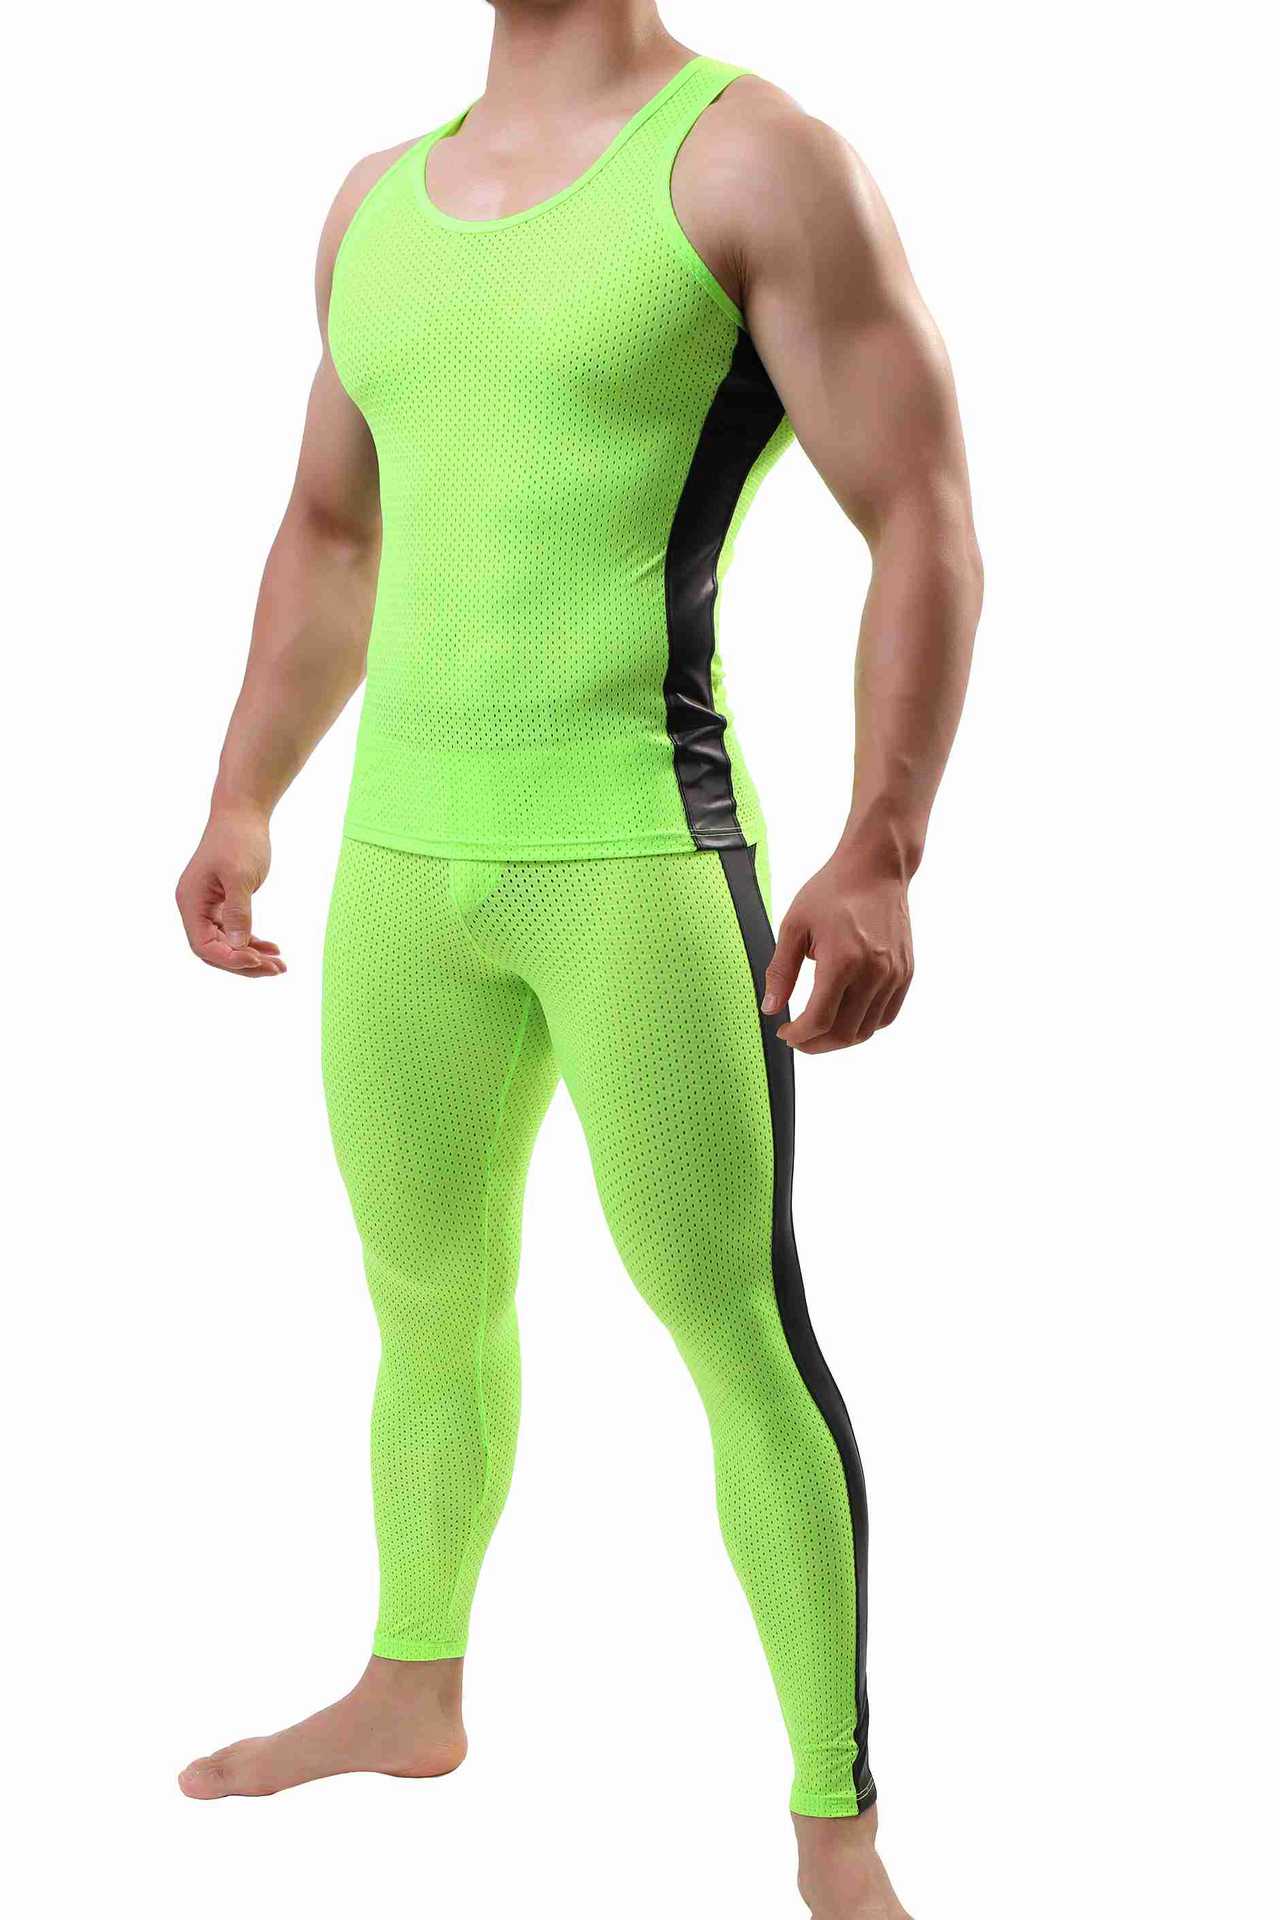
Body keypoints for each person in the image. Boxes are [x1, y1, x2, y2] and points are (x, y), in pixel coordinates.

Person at [174, 5, 982, 1915]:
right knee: (422, 1302)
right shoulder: (372, 202)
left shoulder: (753, 161)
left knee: (735, 1329)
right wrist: (241, 796)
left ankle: (837, 1826)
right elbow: (333, 531)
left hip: (637, 858)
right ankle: (410, 1685)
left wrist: (881, 845)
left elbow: (924, 516)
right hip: (401, 869)